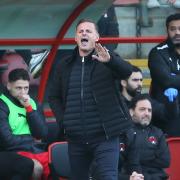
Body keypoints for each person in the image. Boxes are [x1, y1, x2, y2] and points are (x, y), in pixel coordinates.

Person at [48, 18, 133, 180]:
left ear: (97, 37)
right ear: (75, 38)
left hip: (105, 137)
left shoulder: (107, 58)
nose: (84, 33)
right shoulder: (64, 64)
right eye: (80, 31)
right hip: (76, 138)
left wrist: (110, 61)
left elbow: (127, 72)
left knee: (107, 177)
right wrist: (63, 121)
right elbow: (53, 97)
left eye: (89, 31)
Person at [0, 68, 49, 179]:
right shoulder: (2, 105)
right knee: (35, 167)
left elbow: (41, 134)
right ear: (9, 86)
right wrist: (30, 139)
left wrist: (29, 109)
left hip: (34, 149)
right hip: (9, 152)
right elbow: (6, 141)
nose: (23, 93)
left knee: (57, 163)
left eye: (26, 88)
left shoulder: (33, 103)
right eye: (18, 88)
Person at [119, 94, 170, 180]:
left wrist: (135, 159)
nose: (147, 113)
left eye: (149, 110)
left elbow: (165, 161)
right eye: (142, 109)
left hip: (156, 177)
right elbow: (118, 163)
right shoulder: (123, 133)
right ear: (131, 112)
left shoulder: (158, 132)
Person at [148, 13, 180, 136]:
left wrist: (174, 76)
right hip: (167, 113)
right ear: (167, 30)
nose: (177, 32)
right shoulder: (157, 53)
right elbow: (167, 81)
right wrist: (171, 78)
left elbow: (172, 79)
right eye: (173, 29)